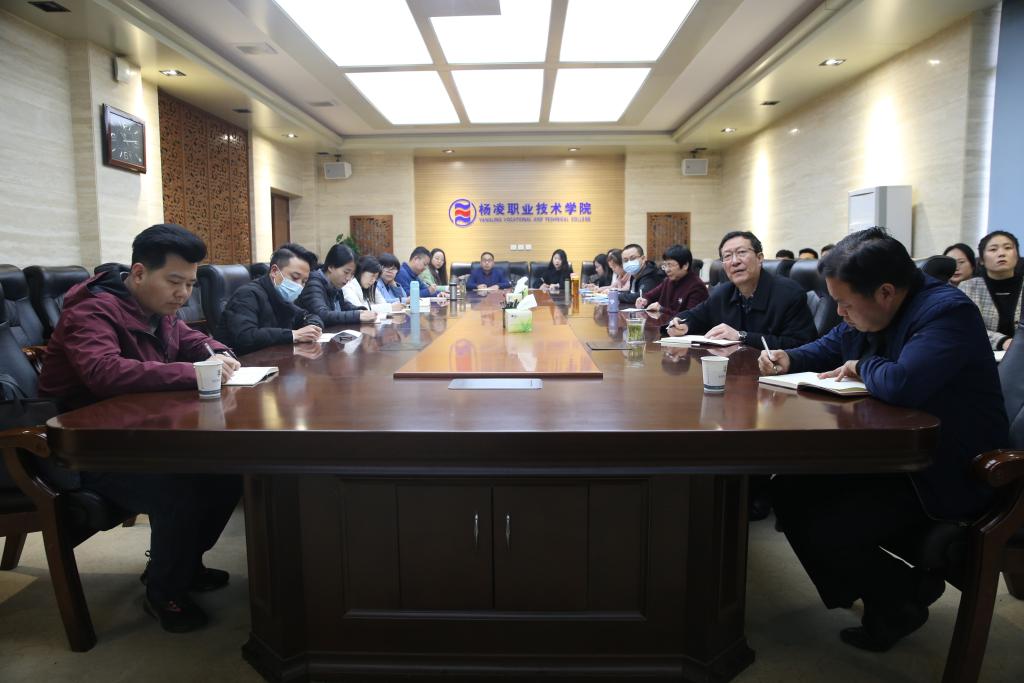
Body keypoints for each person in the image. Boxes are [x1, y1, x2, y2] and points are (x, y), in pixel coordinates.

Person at [760, 227, 1007, 653]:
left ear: (886, 292)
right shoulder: (873, 308)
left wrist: (861, 365)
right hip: (896, 455)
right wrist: (790, 358)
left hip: (949, 469)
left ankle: (895, 599)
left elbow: (903, 383)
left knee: (824, 518)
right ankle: (896, 595)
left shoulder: (947, 312)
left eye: (845, 303)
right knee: (788, 488)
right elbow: (834, 344)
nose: (839, 312)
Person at [38, 223, 242, 633]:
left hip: (133, 434)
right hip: (80, 448)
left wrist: (220, 353)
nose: (183, 294)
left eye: (190, 284)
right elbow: (104, 372)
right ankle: (164, 592)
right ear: (138, 273)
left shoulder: (158, 311)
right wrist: (192, 372)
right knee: (179, 489)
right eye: (174, 282)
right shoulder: (90, 311)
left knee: (228, 473)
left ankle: (182, 564)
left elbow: (194, 341)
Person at [666, 230, 816, 349]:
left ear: (759, 258)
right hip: (734, 370)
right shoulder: (723, 293)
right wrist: (682, 323)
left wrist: (742, 336)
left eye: (741, 253)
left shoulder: (788, 294)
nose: (735, 261)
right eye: (727, 256)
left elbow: (801, 345)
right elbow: (695, 315)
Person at [216, 245, 324, 355]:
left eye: (304, 281)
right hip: (241, 361)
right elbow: (245, 336)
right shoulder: (247, 294)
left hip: (273, 358)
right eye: (295, 277)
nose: (299, 286)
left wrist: (313, 327)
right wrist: (293, 335)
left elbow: (308, 315)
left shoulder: (281, 297)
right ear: (274, 271)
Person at [958, 230, 1021, 351]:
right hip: (982, 355)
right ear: (982, 260)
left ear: (1017, 255)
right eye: (993, 249)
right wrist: (1003, 341)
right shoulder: (968, 287)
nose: (1001, 253)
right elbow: (966, 325)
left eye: (1008, 248)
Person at [296, 243, 377, 326]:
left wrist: (361, 311)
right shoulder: (313, 283)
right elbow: (322, 314)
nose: (348, 278)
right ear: (331, 267)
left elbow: (343, 305)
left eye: (352, 274)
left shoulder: (335, 284)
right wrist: (357, 316)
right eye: (346, 272)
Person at [636, 244, 708, 317]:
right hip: (665, 323)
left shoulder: (696, 286)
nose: (667, 270)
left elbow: (689, 317)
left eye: (670, 265)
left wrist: (661, 309)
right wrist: (644, 300)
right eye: (665, 265)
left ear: (685, 265)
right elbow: (649, 296)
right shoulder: (668, 281)